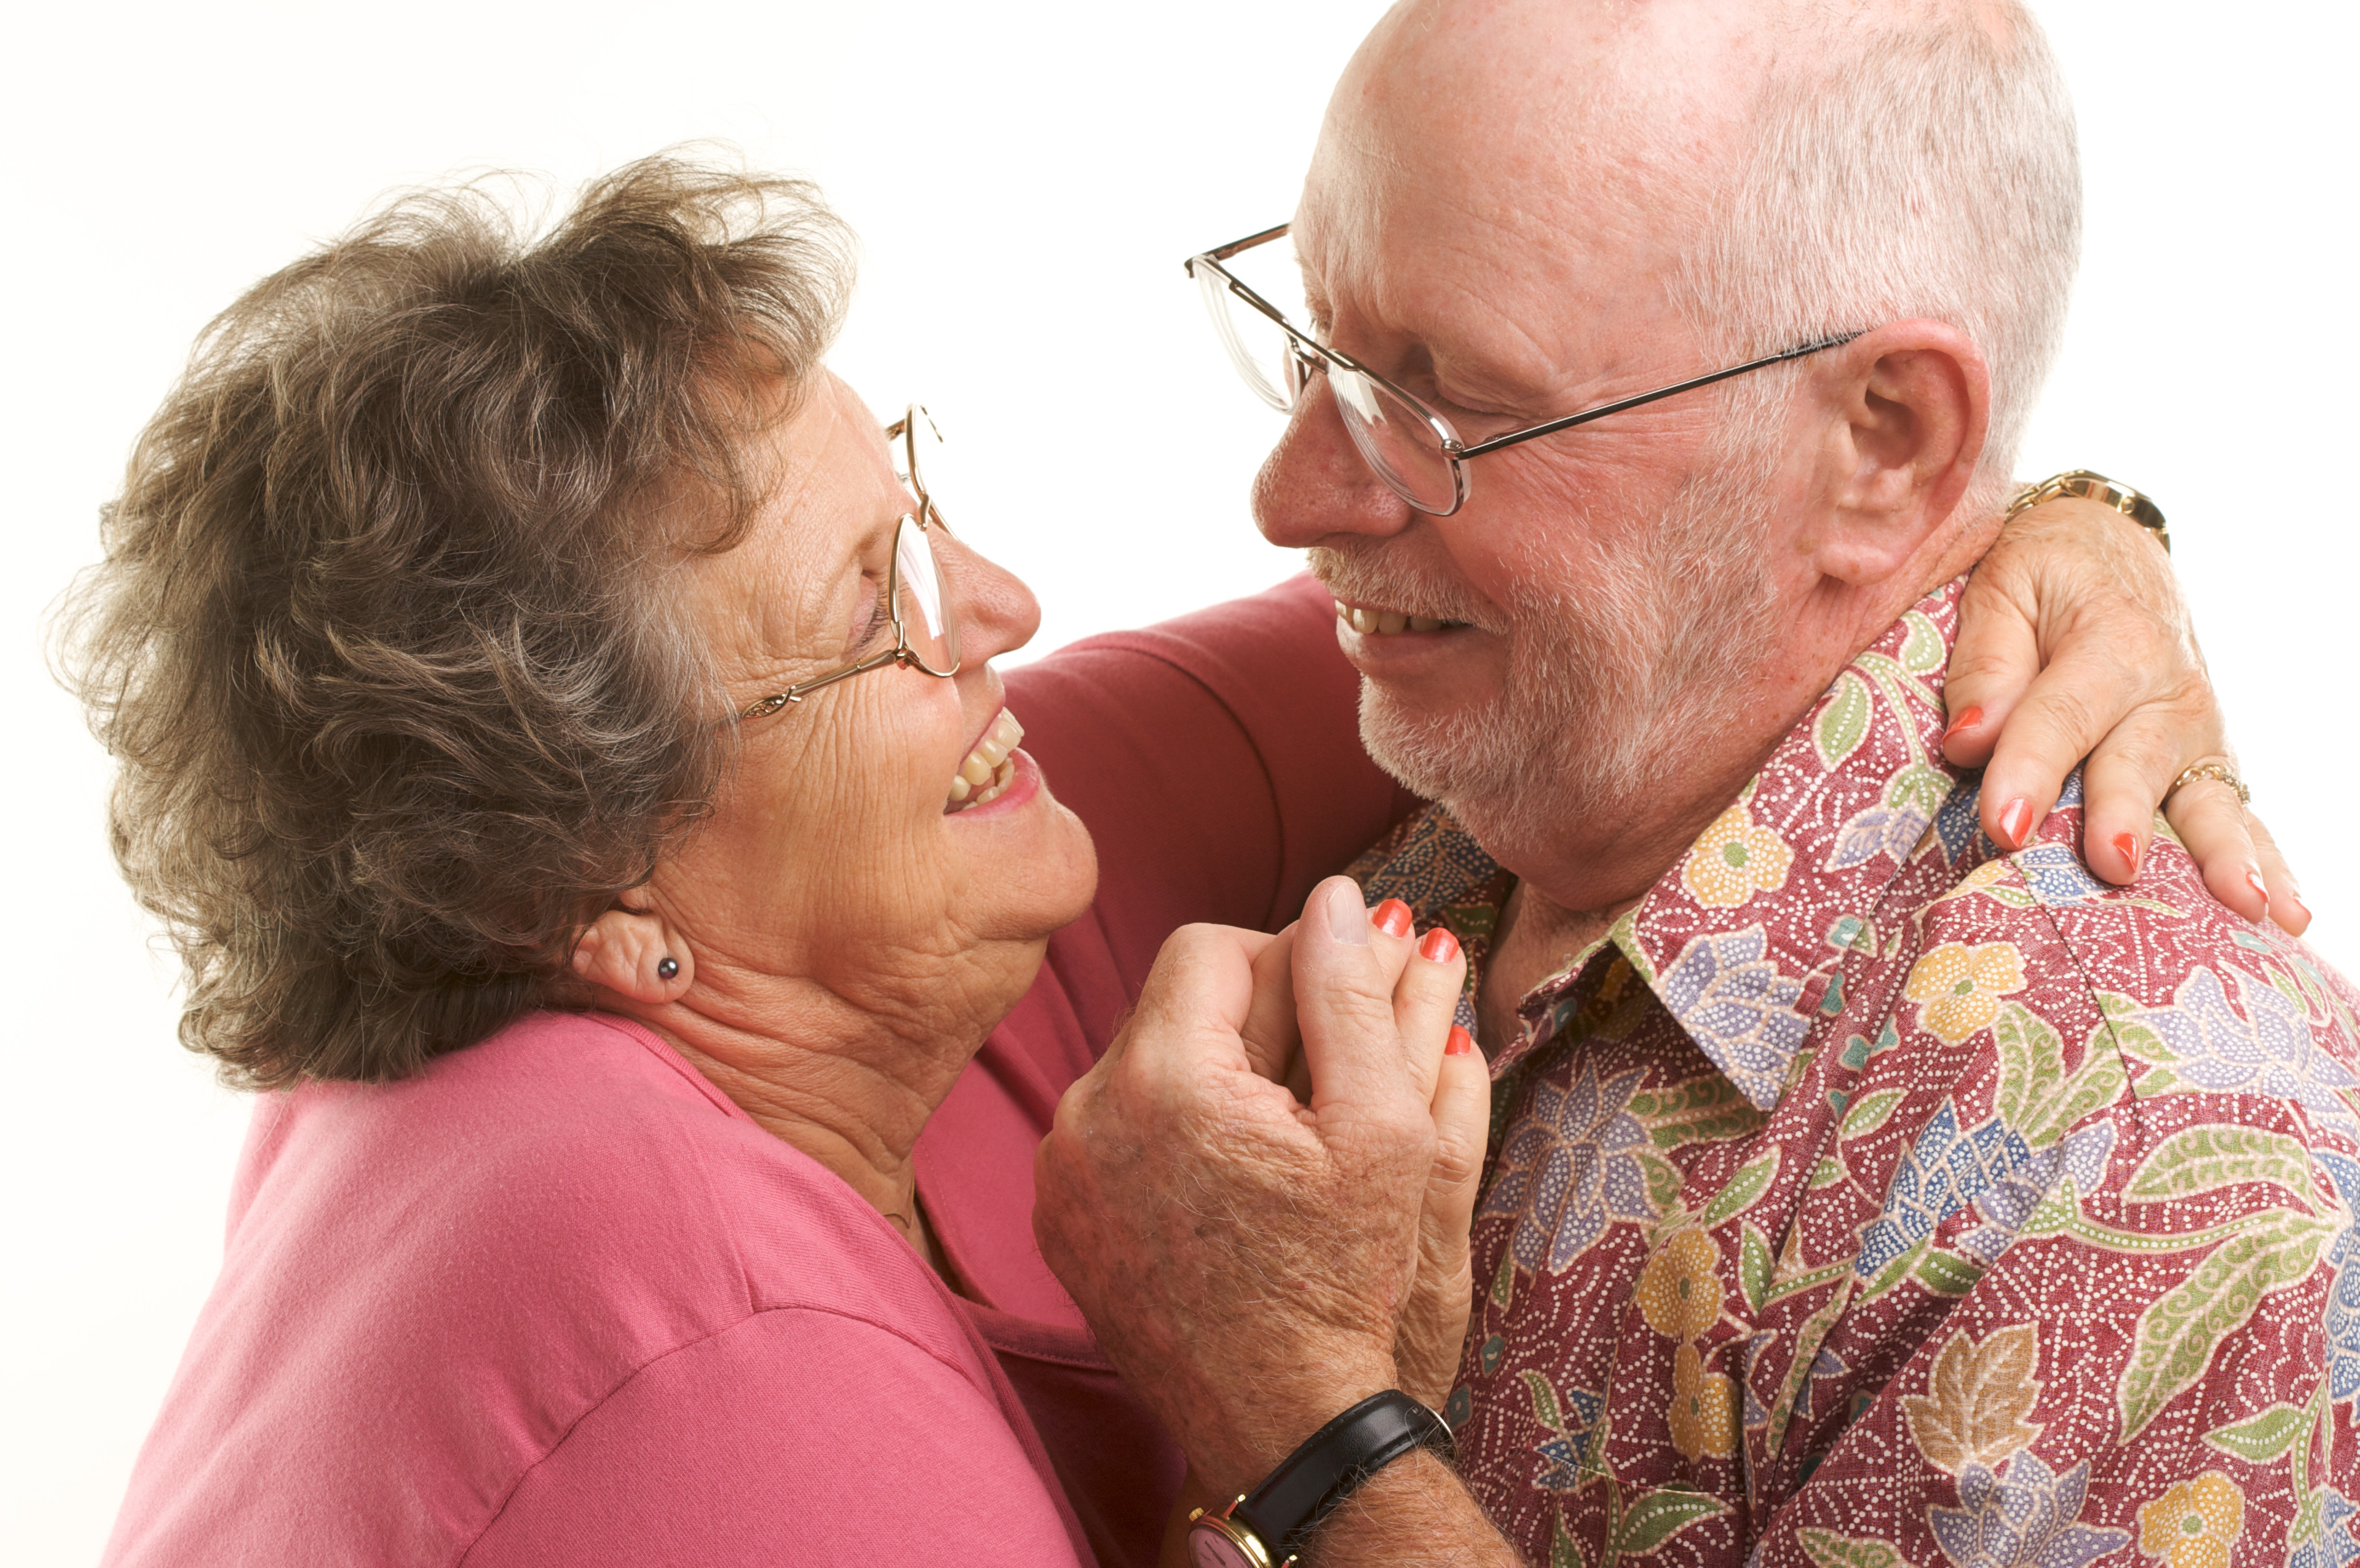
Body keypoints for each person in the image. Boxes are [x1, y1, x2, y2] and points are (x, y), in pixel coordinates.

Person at [69, 156, 2273, 1568]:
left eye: (919, 503)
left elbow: (1597, 610)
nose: (1006, 606)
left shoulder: (826, 918)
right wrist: (1307, 1425)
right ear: (604, 894)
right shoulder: (720, 1396)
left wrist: (2049, 527)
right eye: (883, 607)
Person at [1031, 3, 2358, 1567]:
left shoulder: (2148, 1174)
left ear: (1883, 442)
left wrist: (1308, 1418)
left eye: (1442, 398)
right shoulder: (1507, 718)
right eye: (1313, 339)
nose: (1289, 497)